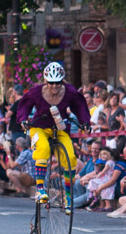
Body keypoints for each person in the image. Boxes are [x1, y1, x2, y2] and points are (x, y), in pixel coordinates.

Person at [15, 62, 92, 212]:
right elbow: (24, 105)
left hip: (59, 127)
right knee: (43, 149)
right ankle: (40, 190)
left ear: (62, 81)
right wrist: (23, 119)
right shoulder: (37, 92)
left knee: (70, 157)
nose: (54, 86)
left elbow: (80, 105)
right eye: (51, 83)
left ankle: (68, 197)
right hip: (39, 127)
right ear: (46, 81)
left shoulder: (69, 92)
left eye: (58, 83)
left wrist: (85, 122)